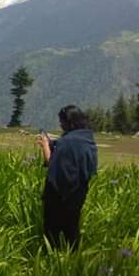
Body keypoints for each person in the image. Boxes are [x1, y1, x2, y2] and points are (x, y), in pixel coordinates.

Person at [37, 105, 98, 250]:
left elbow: (50, 162)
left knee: (52, 228)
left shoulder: (67, 142)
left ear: (68, 122)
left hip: (58, 193)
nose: (60, 125)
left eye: (62, 121)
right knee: (72, 227)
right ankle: (73, 259)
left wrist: (45, 145)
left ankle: (52, 258)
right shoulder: (87, 138)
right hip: (78, 193)